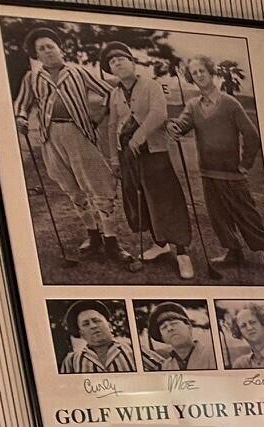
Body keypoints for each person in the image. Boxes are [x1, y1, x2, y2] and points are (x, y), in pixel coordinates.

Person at [12, 28, 127, 264]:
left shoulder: (78, 72)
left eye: (50, 46)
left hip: (79, 134)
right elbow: (22, 104)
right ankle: (93, 236)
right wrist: (21, 118)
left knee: (100, 186)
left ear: (59, 48)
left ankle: (112, 242)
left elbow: (111, 93)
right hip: (50, 138)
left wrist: (98, 117)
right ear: (37, 56)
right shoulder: (32, 77)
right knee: (71, 188)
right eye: (41, 49)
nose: (47, 51)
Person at [169, 56, 264, 270]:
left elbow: (252, 135)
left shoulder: (230, 103)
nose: (199, 75)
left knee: (246, 215)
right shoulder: (192, 105)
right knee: (218, 217)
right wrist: (174, 127)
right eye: (194, 72)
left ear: (211, 73)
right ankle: (233, 252)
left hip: (232, 174)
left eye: (202, 70)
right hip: (208, 172)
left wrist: (245, 164)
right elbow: (183, 123)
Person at [101, 43, 194, 280]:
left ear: (132, 63)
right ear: (111, 70)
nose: (117, 63)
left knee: (165, 199)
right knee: (139, 199)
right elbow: (112, 126)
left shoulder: (151, 85)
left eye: (122, 59)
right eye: (112, 62)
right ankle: (159, 244)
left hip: (153, 152)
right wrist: (114, 157)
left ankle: (182, 252)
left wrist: (138, 136)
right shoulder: (115, 92)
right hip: (127, 155)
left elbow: (159, 113)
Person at [59, 300, 135, 374]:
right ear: (81, 333)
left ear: (109, 325)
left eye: (96, 320)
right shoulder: (72, 361)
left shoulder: (133, 349)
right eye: (86, 324)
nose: (93, 326)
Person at [144, 301, 213, 371]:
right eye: (164, 327)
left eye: (174, 323)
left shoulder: (212, 354)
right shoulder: (166, 367)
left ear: (189, 326)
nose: (170, 328)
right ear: (163, 338)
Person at [221, 301, 264, 368]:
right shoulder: (240, 365)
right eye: (243, 326)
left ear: (263, 323)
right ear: (239, 332)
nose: (249, 328)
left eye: (252, 322)